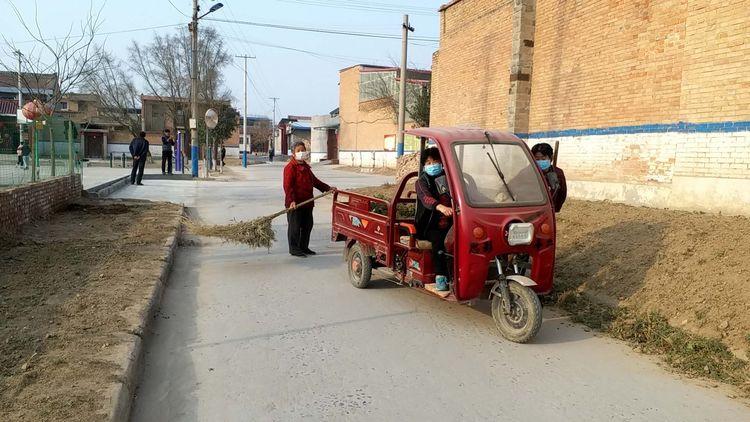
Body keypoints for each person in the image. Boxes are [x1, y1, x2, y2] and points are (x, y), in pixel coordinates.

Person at [283, 141, 335, 257]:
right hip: (295, 204)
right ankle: (294, 249)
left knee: (307, 226)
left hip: (307, 203)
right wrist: (291, 201)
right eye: (298, 151)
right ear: (293, 153)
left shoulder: (306, 167)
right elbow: (288, 186)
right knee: (295, 228)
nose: (301, 152)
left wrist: (327, 188)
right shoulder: (290, 168)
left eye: (303, 150)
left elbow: (315, 181)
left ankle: (304, 247)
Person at [415, 147, 453, 291]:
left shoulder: (448, 178)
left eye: (435, 161)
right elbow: (426, 198)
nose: (433, 165)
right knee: (439, 240)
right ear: (424, 166)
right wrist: (440, 207)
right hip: (429, 225)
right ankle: (441, 277)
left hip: (449, 222)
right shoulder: (421, 182)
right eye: (429, 163)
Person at [531, 142, 567, 212]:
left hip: (549, 211)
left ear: (550, 158)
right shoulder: (527, 172)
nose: (540, 161)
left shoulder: (558, 173)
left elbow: (562, 194)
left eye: (543, 159)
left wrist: (555, 209)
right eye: (537, 159)